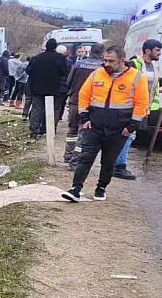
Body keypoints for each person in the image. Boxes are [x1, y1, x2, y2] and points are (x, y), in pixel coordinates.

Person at [62, 46, 149, 202]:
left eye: (111, 61)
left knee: (108, 162)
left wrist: (131, 127)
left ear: (122, 60)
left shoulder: (137, 77)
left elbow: (142, 103)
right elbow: (84, 95)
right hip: (94, 126)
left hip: (119, 129)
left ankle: (101, 187)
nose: (107, 64)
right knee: (85, 158)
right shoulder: (97, 74)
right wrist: (84, 117)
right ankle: (75, 188)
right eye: (105, 60)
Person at [114, 38, 162, 180]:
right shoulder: (134, 63)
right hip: (130, 105)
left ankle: (116, 163)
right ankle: (119, 166)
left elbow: (154, 86)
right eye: (157, 50)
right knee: (129, 135)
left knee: (128, 135)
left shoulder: (154, 66)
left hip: (143, 107)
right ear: (148, 51)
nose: (159, 53)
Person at [64, 43, 105, 170]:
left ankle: (67, 156)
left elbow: (68, 82)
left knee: (72, 130)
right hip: (90, 105)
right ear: (102, 53)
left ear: (90, 51)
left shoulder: (78, 64)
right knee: (83, 133)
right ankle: (74, 162)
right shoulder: (103, 68)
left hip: (75, 101)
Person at [26, 39, 69, 138]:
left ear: (46, 47)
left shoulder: (36, 58)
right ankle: (48, 129)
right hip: (53, 88)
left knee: (36, 109)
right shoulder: (60, 58)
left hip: (37, 88)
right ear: (55, 47)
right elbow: (64, 72)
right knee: (51, 110)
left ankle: (34, 131)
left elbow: (28, 71)